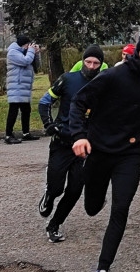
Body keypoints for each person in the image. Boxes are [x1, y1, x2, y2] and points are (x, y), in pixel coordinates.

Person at [69, 31, 140, 272]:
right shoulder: (114, 76)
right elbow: (79, 102)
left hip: (130, 155)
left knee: (121, 208)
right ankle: (95, 195)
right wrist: (79, 136)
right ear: (138, 50)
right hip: (99, 150)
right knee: (92, 207)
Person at [37, 44, 103, 242]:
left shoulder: (103, 85)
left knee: (75, 189)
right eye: (88, 61)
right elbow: (44, 101)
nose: (91, 66)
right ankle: (49, 195)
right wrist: (49, 124)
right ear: (82, 61)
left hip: (85, 146)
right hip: (62, 142)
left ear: (101, 65)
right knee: (57, 187)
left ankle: (54, 224)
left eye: (96, 63)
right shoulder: (68, 79)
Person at [5, 35, 40, 144]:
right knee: (13, 111)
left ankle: (26, 133)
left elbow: (37, 66)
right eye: (27, 45)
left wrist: (37, 53)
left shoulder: (25, 52)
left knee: (26, 110)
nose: (28, 47)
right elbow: (25, 61)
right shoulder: (13, 52)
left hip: (24, 87)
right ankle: (8, 135)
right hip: (16, 86)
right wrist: (30, 51)